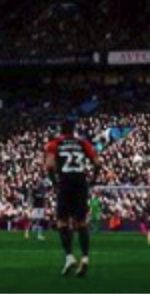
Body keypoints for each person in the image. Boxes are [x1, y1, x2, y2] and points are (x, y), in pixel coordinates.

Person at [45, 118, 103, 278]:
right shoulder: (83, 143)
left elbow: (49, 165)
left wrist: (54, 182)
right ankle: (85, 258)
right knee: (82, 222)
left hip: (65, 183)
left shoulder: (54, 143)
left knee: (62, 221)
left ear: (61, 130)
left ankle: (69, 257)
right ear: (73, 129)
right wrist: (93, 180)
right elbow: (98, 163)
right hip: (81, 183)